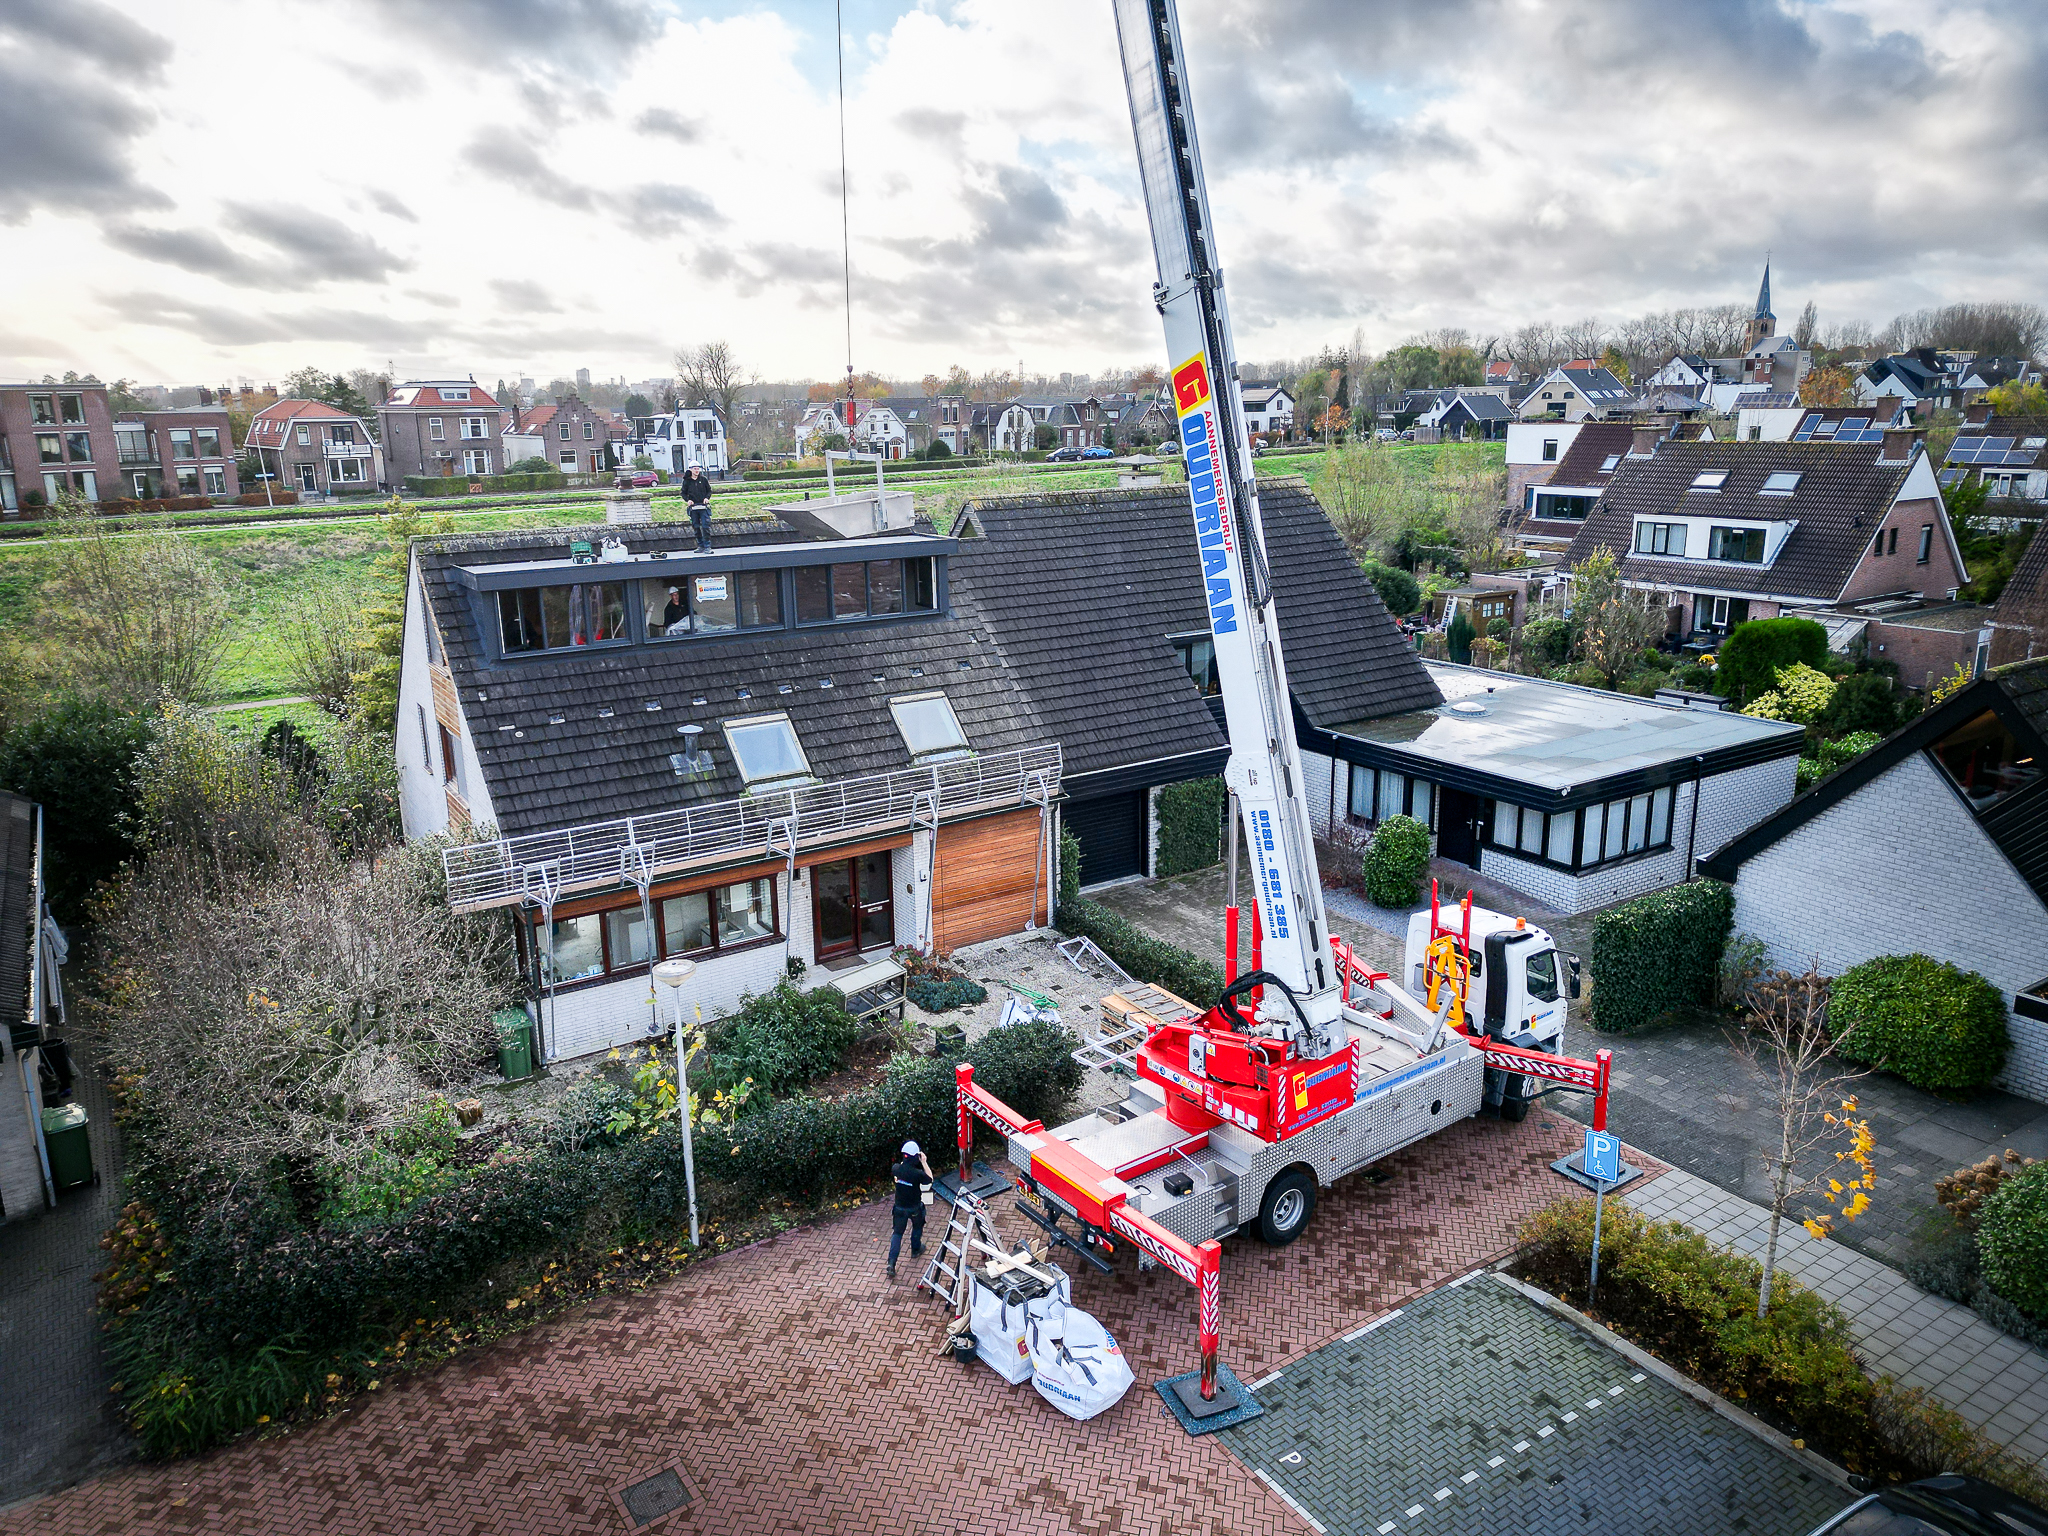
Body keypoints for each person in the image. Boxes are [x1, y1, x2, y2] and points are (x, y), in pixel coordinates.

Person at [887, 1139, 934, 1279]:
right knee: (917, 1227)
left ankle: (891, 1263)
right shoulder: (917, 1173)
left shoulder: (896, 1168)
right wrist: (924, 1162)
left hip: (899, 1208)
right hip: (914, 1207)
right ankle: (915, 1248)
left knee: (897, 1234)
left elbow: (902, 1166)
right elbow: (930, 1179)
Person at [681, 462, 712, 551]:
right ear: (690, 469)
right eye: (695, 469)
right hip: (693, 508)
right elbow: (683, 492)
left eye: (698, 468)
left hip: (703, 507)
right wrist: (688, 500)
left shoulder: (703, 480)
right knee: (696, 526)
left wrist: (707, 498)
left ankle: (707, 546)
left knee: (706, 526)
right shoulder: (686, 481)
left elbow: (709, 491)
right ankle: (700, 545)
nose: (697, 470)